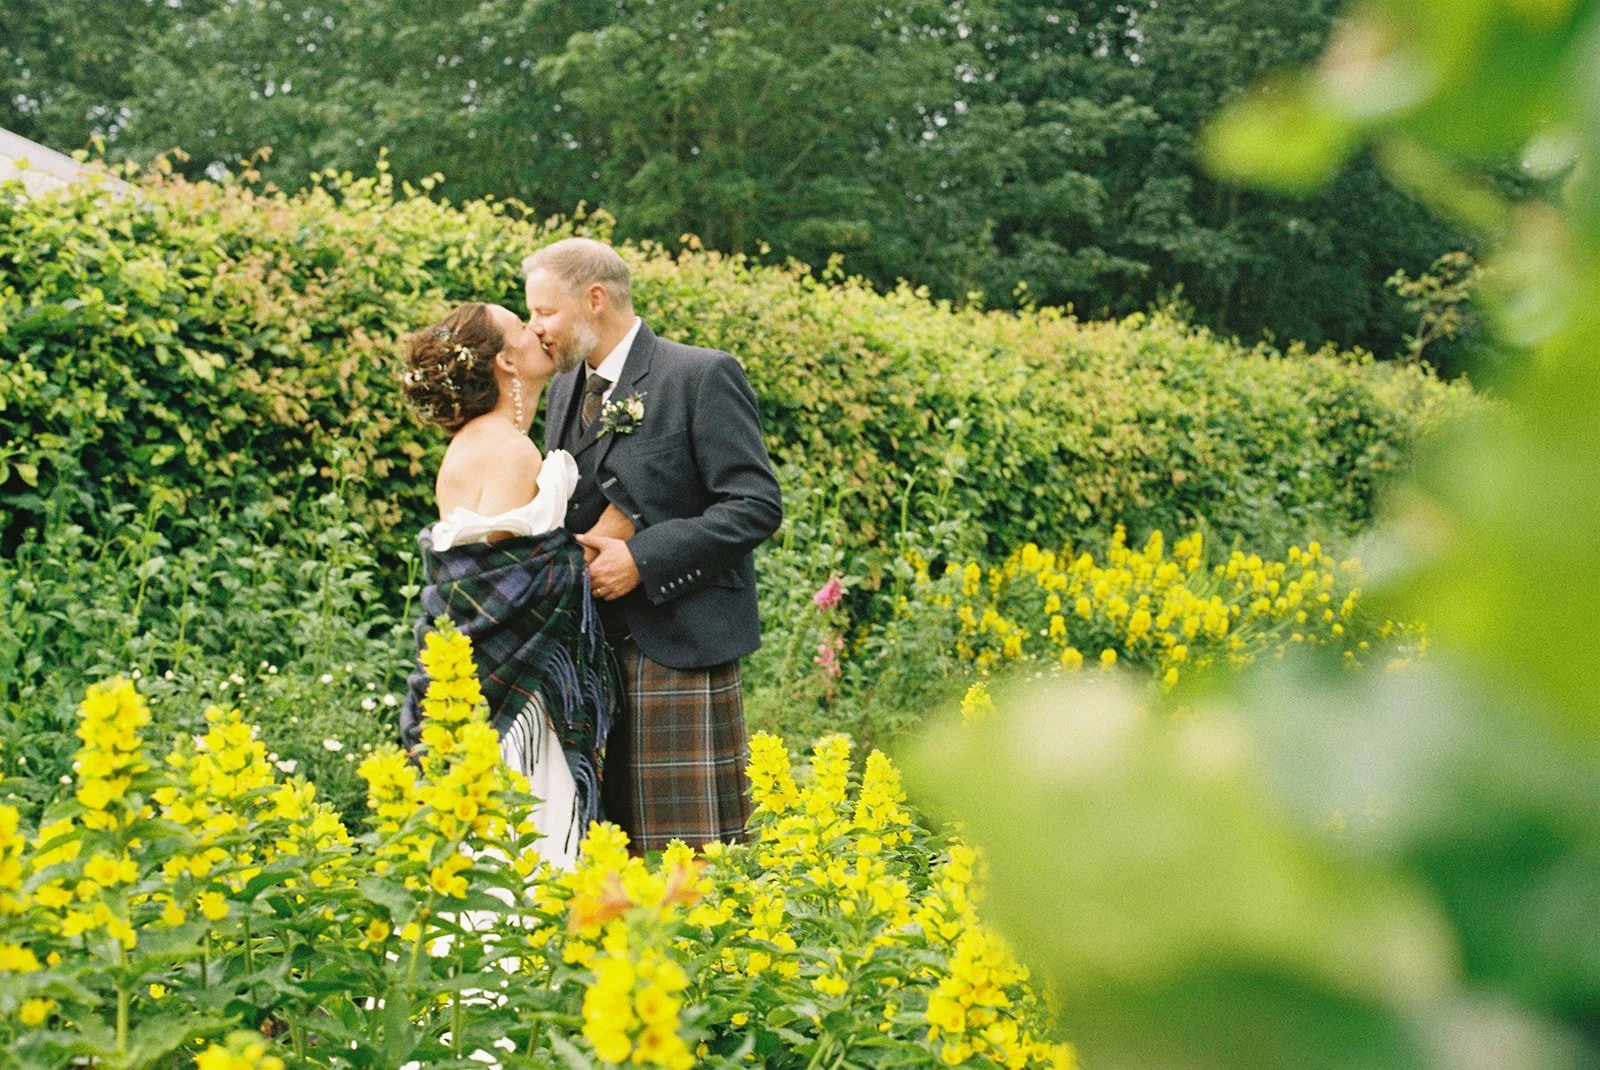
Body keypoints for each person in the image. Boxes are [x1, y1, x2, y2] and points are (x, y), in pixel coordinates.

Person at [524, 237, 784, 854]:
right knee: (607, 851)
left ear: (594, 299)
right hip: (589, 657)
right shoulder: (564, 390)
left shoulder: (699, 374)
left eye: (544, 312)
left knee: (686, 863)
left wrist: (642, 560)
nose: (534, 329)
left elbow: (755, 505)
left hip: (677, 648)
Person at [395, 300, 632, 870]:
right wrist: (621, 529)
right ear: (505, 359)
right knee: (522, 845)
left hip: (511, 692)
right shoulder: (504, 446)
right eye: (522, 326)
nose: (538, 332)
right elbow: (509, 586)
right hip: (514, 696)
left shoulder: (486, 440)